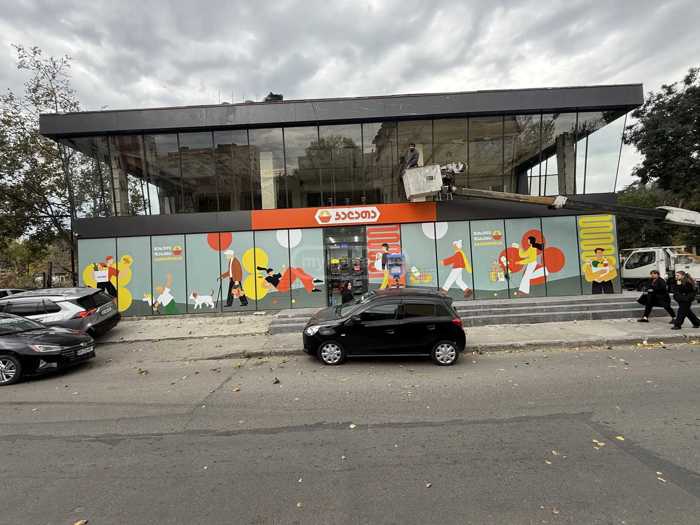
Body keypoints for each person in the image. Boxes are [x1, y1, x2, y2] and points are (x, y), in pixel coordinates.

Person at [257, 265, 322, 293]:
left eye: (273, 271)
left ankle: (311, 288)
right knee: (291, 269)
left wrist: (284, 268)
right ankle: (312, 280)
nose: (273, 272)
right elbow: (263, 285)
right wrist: (268, 286)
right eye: (271, 272)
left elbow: (282, 273)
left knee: (299, 269)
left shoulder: (275, 275)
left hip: (284, 284)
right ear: (269, 273)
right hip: (281, 287)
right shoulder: (268, 278)